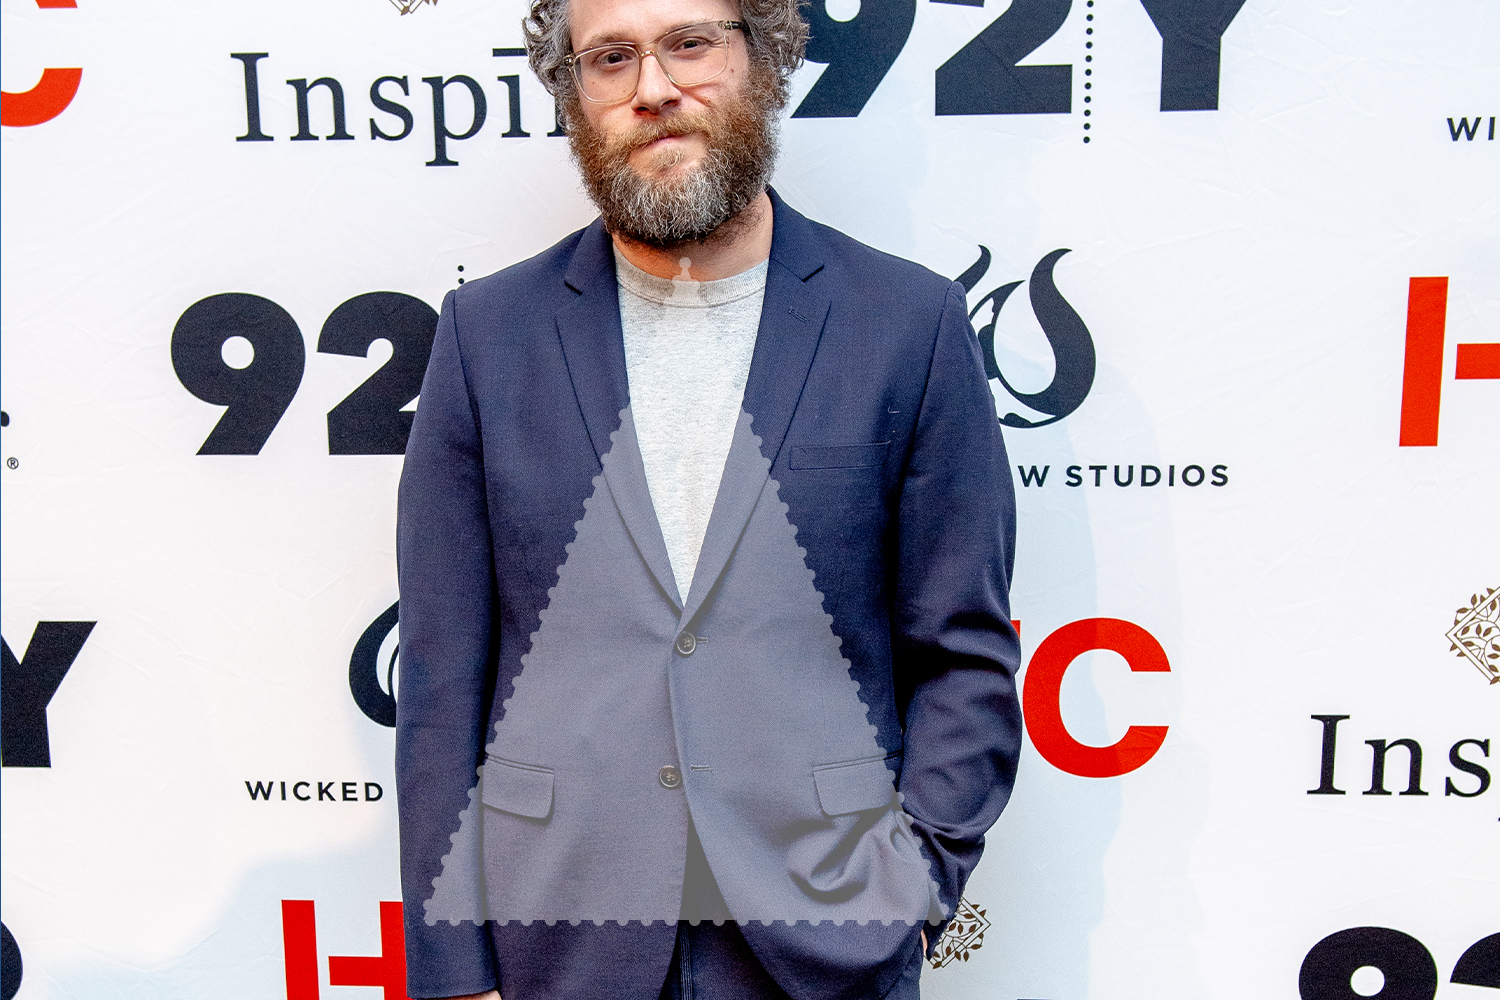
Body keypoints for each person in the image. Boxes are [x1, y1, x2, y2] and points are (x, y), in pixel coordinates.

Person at [394, 0, 1022, 995]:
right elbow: (441, 679)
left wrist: (914, 889)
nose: (653, 88)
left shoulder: (910, 324)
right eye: (611, 58)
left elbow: (963, 656)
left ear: (762, 59)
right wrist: (452, 967)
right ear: (575, 94)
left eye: (689, 43)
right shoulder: (486, 335)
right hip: (556, 936)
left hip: (827, 940)